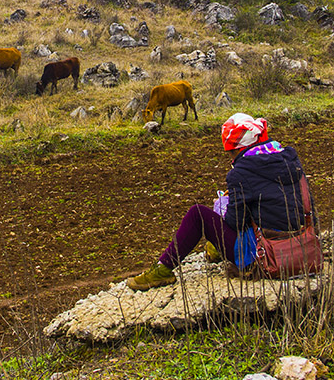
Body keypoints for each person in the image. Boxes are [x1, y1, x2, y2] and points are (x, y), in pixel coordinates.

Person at [126, 113, 309, 290]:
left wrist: (224, 204)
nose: (231, 157)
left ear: (239, 148)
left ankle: (163, 268)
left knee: (198, 214)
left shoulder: (241, 173)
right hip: (301, 246)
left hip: (265, 255)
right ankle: (214, 250)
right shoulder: (290, 160)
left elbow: (235, 222)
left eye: (231, 152)